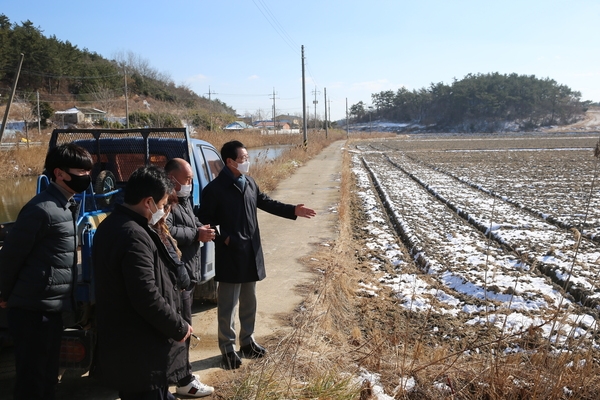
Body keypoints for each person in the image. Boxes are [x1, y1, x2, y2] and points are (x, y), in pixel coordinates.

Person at [198, 140, 316, 370]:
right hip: (231, 253)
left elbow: (265, 202)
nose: (247, 161)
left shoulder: (249, 182)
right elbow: (205, 223)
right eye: (243, 158)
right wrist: (224, 240)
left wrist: (293, 210)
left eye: (247, 157)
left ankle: (247, 341)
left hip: (251, 252)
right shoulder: (214, 190)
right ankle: (227, 347)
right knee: (227, 305)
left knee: (249, 301)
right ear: (230, 161)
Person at [0, 143, 93, 400]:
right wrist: (5, 294)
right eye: (80, 171)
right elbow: (11, 255)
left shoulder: (65, 206)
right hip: (32, 309)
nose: (86, 177)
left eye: (88, 172)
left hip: (50, 308)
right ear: (59, 173)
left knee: (48, 377)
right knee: (33, 380)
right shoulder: (41, 209)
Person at [91, 166, 192, 400]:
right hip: (140, 350)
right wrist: (178, 326)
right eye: (163, 203)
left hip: (130, 349)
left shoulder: (112, 225)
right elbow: (146, 295)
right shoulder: (134, 235)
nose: (164, 210)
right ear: (149, 202)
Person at [164, 158, 215, 397]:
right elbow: (167, 231)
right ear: (172, 178)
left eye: (192, 179)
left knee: (185, 326)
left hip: (188, 274)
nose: (190, 183)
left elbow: (193, 225)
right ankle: (183, 381)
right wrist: (197, 234)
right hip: (178, 277)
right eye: (187, 179)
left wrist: (204, 230)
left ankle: (184, 375)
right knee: (181, 330)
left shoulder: (183, 201)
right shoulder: (168, 203)